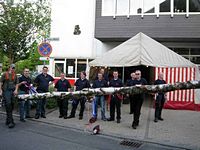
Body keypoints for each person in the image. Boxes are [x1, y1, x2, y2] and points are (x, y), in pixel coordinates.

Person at [0, 64, 18, 128]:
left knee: (12, 104)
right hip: (6, 91)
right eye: (12, 67)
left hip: (12, 91)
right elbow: (1, 83)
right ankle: (11, 121)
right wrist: (1, 91)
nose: (13, 69)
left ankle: (8, 119)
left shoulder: (15, 75)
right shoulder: (5, 74)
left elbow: (16, 84)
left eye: (14, 68)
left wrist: (16, 90)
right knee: (8, 104)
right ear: (9, 68)